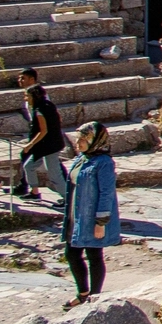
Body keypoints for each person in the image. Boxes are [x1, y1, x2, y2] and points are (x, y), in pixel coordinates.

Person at [61, 121, 118, 306]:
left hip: (92, 217)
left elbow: (107, 192)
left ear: (93, 140)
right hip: (76, 216)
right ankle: (83, 292)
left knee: (94, 255)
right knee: (72, 254)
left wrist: (101, 222)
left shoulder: (104, 163)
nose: (78, 144)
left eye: (82, 140)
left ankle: (94, 297)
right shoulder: (82, 159)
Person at [17, 69, 68, 200]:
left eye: (27, 96)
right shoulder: (47, 105)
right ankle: (34, 192)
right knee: (28, 166)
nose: (25, 99)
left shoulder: (40, 110)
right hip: (44, 145)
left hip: (49, 146)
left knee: (54, 174)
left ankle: (67, 198)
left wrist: (30, 144)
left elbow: (43, 130)